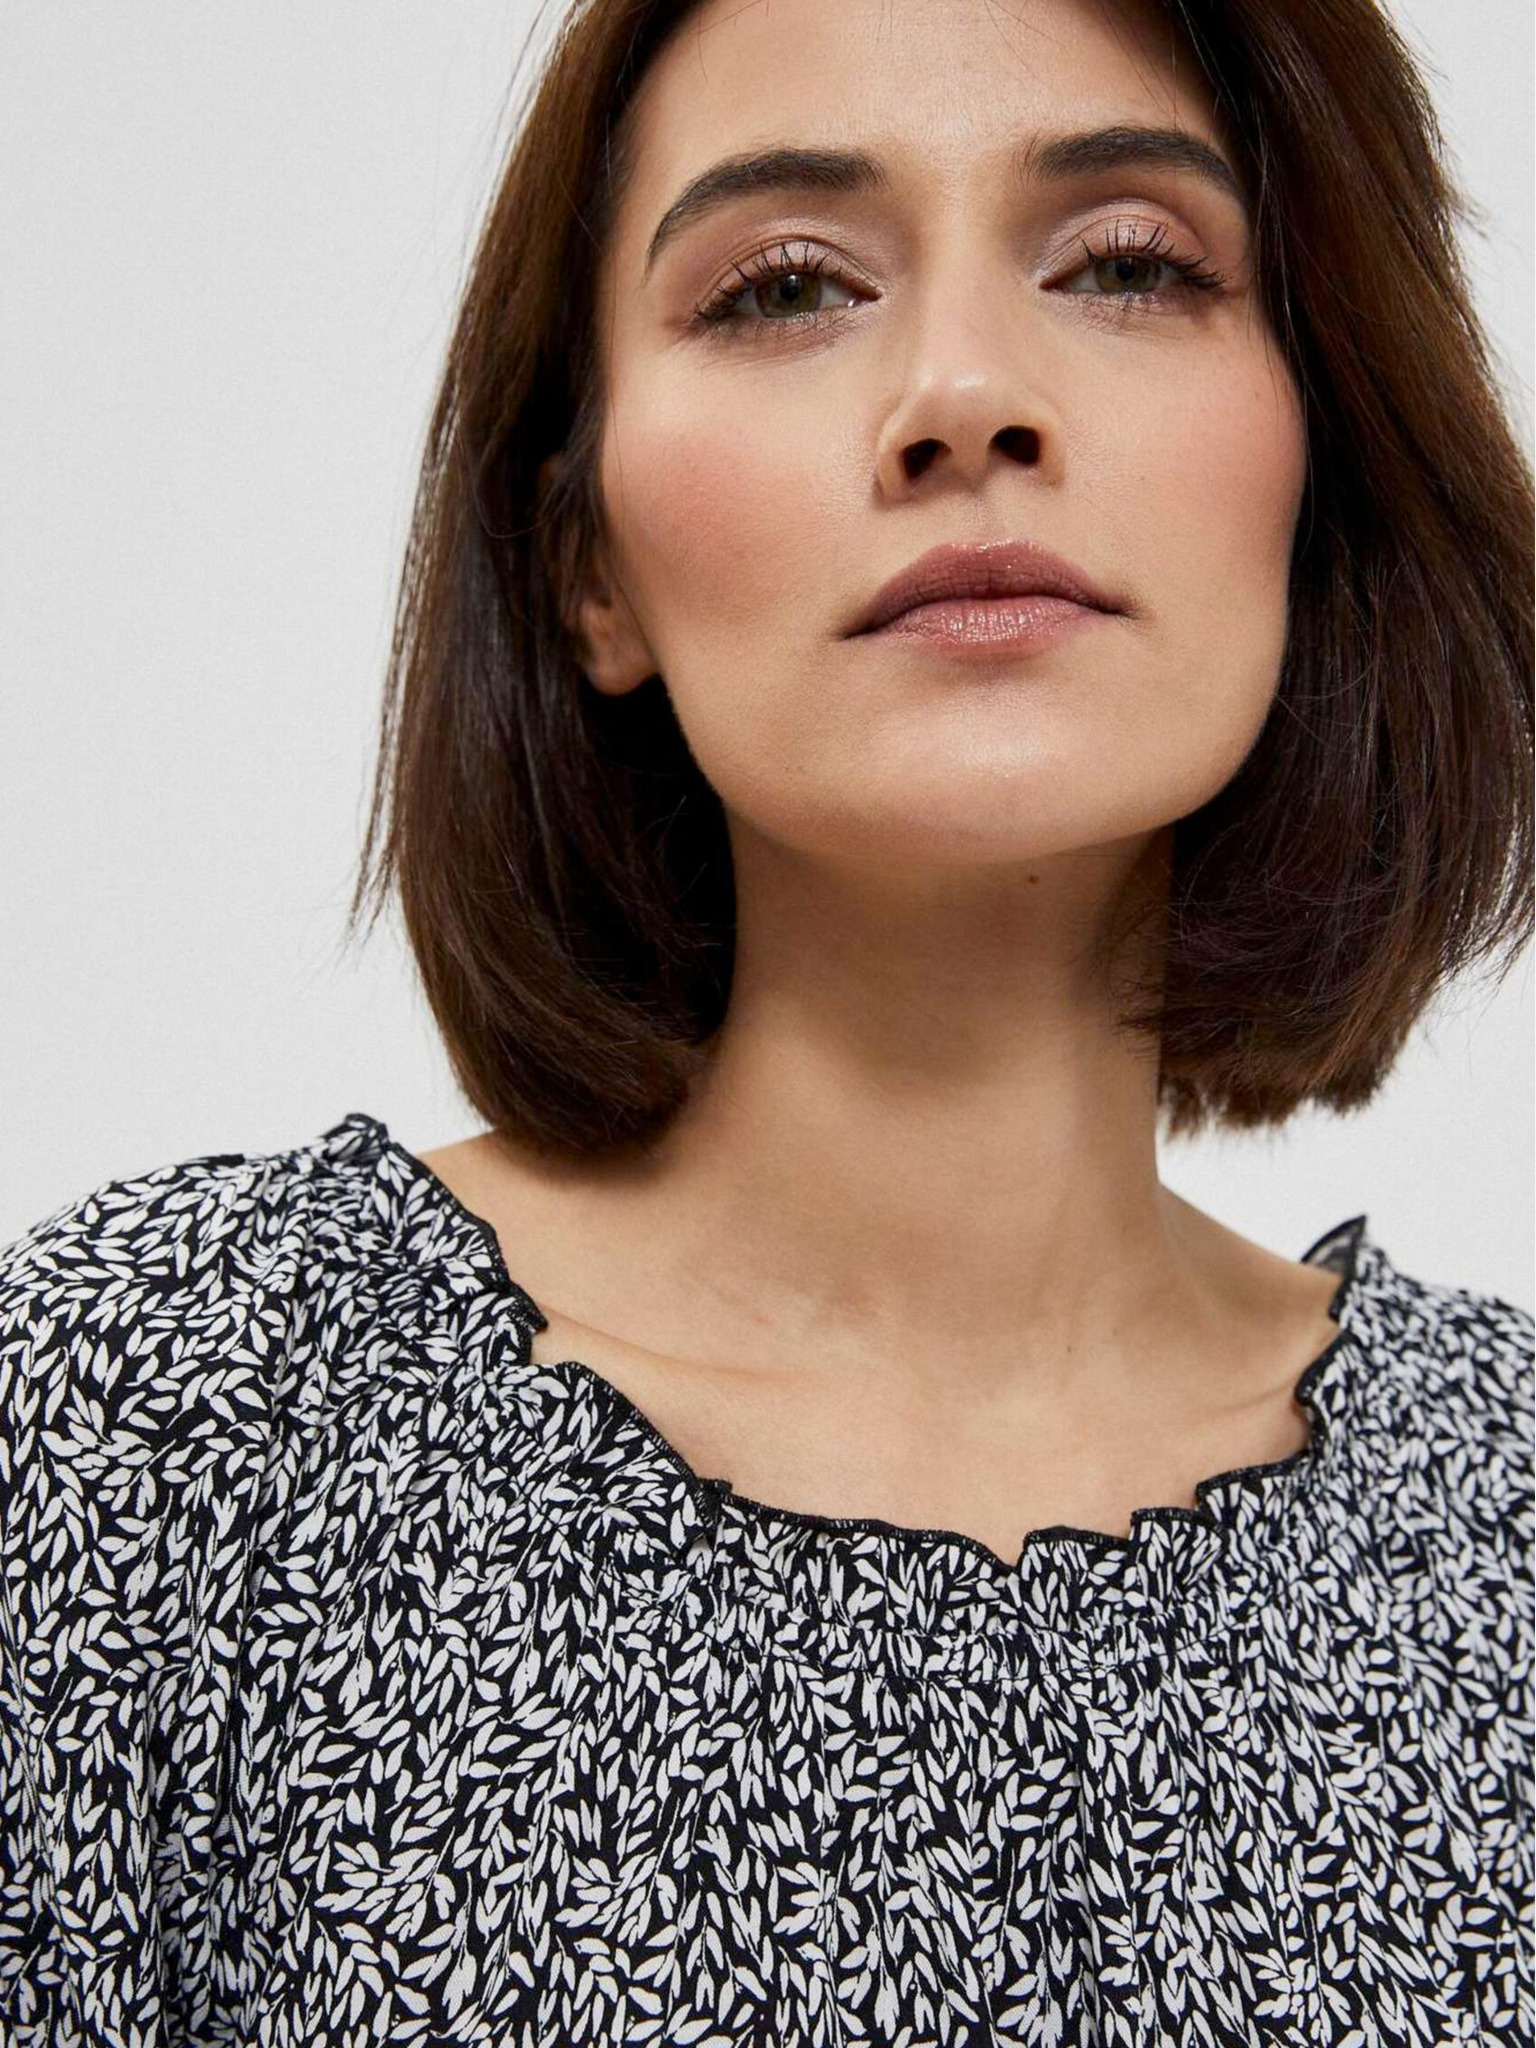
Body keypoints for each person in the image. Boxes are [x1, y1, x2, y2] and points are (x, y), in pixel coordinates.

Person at [2, 0, 1531, 2040]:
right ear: (586, 569)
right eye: (788, 287)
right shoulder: (162, 1425)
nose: (966, 394)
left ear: (1321, 467)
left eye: (1129, 264)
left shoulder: (1510, 1528)